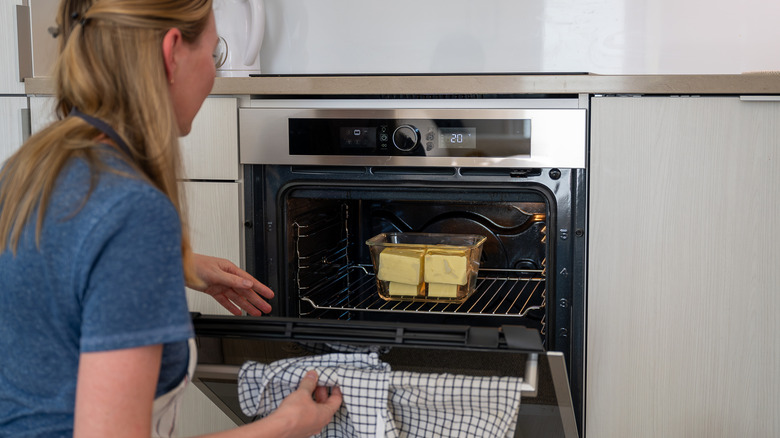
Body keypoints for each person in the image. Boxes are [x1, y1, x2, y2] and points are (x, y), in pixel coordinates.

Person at [0, 0, 342, 437]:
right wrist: (284, 427)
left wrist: (176, 263)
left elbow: (66, 269)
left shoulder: (36, 162)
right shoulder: (133, 212)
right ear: (171, 52)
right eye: (214, 53)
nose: (214, 73)